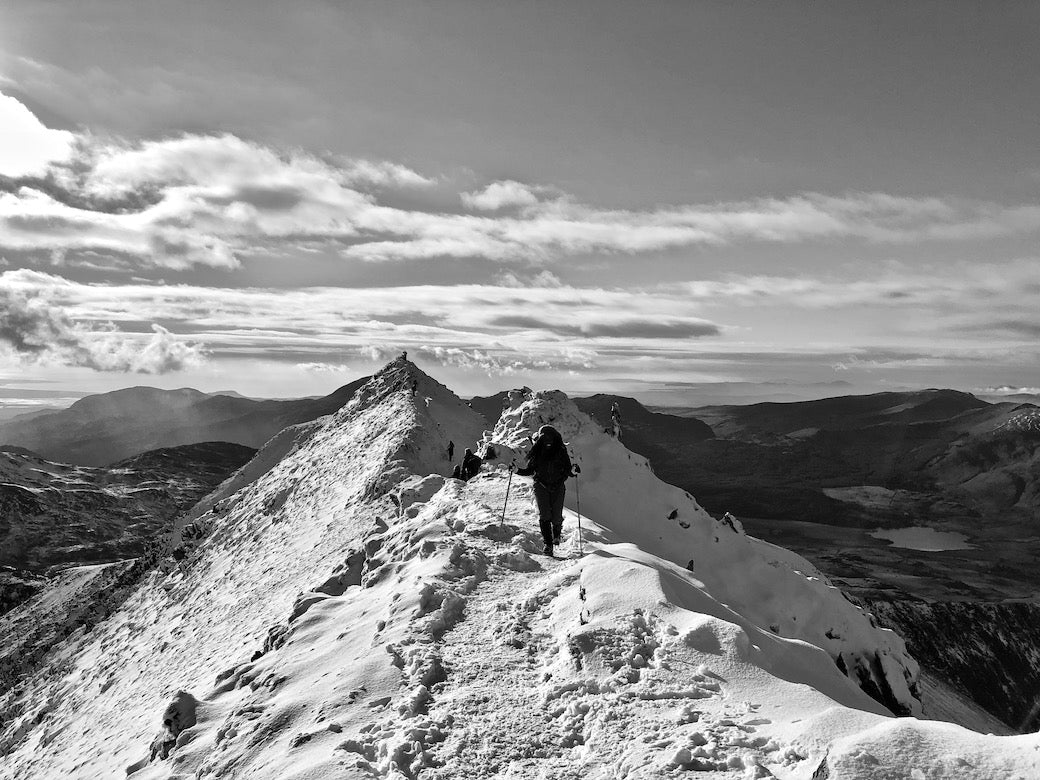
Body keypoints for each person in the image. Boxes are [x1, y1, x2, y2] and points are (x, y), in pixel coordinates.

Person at [516, 425, 573, 556]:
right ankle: (549, 543)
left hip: (547, 485)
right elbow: (568, 470)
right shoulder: (560, 450)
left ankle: (555, 537)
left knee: (552, 516)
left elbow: (529, 470)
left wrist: (517, 470)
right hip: (549, 486)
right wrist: (573, 472)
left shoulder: (542, 450)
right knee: (547, 515)